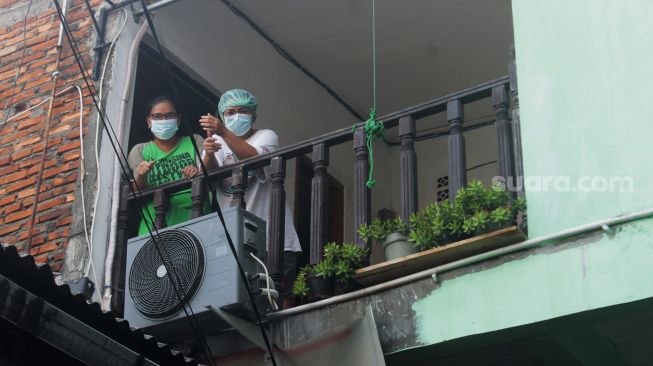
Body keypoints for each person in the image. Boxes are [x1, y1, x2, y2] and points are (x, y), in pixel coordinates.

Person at [200, 89, 302, 309]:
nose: (237, 116)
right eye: (231, 112)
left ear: (253, 115)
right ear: (222, 114)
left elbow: (256, 158)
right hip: (234, 237)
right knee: (239, 301)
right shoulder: (216, 140)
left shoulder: (267, 136)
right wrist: (208, 154)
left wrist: (224, 131)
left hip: (273, 237)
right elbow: (207, 177)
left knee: (278, 295)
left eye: (243, 111)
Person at [128, 95, 204, 235]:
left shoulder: (195, 141)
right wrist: (140, 176)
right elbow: (137, 191)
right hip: (154, 225)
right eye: (157, 116)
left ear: (178, 120)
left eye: (170, 115)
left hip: (194, 219)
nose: (164, 120)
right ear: (149, 121)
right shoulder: (140, 150)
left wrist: (198, 171)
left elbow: (208, 170)